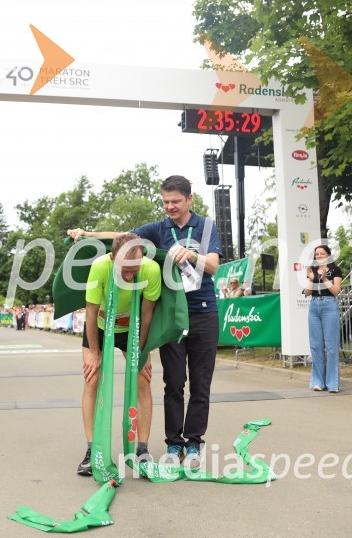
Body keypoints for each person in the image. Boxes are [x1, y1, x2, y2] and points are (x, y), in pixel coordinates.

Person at [68, 175, 221, 469]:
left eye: (175, 201)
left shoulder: (206, 227)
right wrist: (88, 234)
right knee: (173, 382)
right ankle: (173, 443)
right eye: (165, 202)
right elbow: (122, 238)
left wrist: (190, 254)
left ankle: (192, 444)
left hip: (203, 311)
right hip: (172, 315)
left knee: (200, 384)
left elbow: (214, 265)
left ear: (190, 199)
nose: (170, 207)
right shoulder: (157, 229)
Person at [75, 233, 161, 476]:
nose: (130, 275)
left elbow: (147, 315)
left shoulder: (150, 270)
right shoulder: (99, 267)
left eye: (135, 270)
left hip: (131, 329)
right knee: (92, 379)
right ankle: (93, 450)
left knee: (143, 380)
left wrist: (141, 351)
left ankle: (142, 449)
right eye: (125, 270)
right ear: (113, 259)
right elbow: (90, 312)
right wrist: (94, 351)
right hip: (101, 326)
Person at [302, 244, 343, 393]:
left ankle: (332, 384)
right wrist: (311, 279)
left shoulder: (335, 270)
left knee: (331, 346)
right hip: (314, 306)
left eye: (322, 253)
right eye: (317, 254)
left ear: (328, 255)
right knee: (316, 346)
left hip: (329, 306)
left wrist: (325, 279)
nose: (319, 256)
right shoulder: (312, 270)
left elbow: (336, 291)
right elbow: (307, 292)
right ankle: (319, 382)